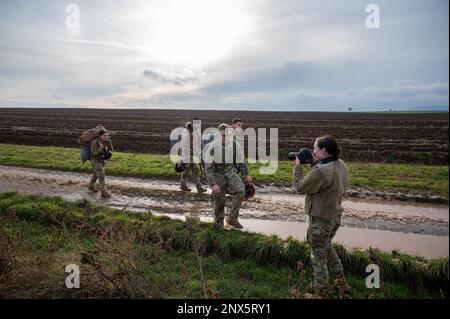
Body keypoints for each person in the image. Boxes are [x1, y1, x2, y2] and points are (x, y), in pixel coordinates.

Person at [292, 135, 350, 298]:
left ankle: (321, 292)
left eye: (315, 148)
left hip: (320, 221)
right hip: (334, 217)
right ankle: (340, 280)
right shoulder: (341, 164)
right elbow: (325, 182)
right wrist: (314, 162)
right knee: (326, 246)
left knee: (318, 257)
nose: (313, 151)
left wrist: (297, 166)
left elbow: (299, 187)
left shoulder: (322, 171)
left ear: (323, 150)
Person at [204, 124, 252, 229]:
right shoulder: (212, 147)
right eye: (223, 135)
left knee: (240, 191)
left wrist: (246, 174)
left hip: (231, 173)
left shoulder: (235, 145)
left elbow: (241, 161)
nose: (225, 137)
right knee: (219, 201)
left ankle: (233, 219)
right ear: (219, 134)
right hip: (218, 175)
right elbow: (208, 168)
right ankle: (218, 225)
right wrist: (213, 184)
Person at [180, 122, 206, 193]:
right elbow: (185, 146)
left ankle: (183, 184)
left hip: (190, 155)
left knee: (187, 170)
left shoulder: (191, 134)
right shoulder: (186, 134)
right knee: (194, 170)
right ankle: (199, 187)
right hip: (187, 156)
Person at [89, 128, 113, 198]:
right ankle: (104, 192)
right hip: (95, 160)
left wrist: (107, 150)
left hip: (102, 160)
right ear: (100, 136)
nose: (106, 137)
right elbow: (93, 153)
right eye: (104, 136)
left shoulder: (108, 141)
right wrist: (100, 149)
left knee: (96, 173)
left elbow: (111, 149)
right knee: (101, 174)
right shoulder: (94, 142)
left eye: (107, 135)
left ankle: (91, 186)